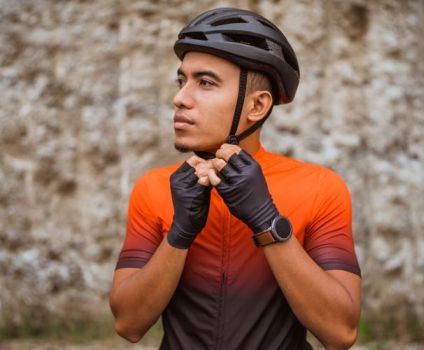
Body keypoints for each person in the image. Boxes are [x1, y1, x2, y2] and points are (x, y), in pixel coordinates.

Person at [110, 7, 361, 350]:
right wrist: (179, 234)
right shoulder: (154, 188)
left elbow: (341, 332)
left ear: (257, 107)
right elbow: (128, 324)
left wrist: (267, 221)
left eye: (206, 83)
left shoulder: (320, 188)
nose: (180, 98)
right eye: (182, 80)